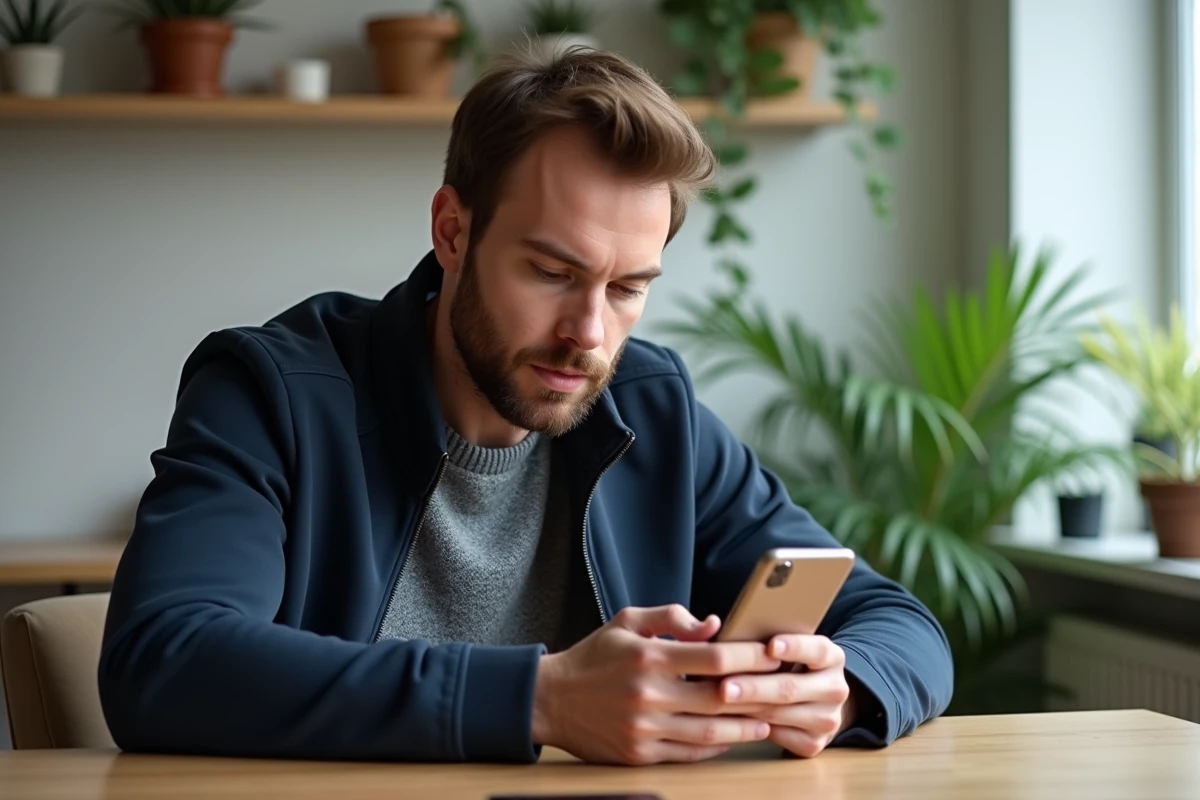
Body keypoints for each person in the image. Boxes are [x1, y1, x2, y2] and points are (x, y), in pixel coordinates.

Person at [98, 47, 953, 766]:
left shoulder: (652, 410)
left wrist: (838, 692)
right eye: (552, 273)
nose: (588, 333)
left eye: (627, 288)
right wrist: (542, 700)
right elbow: (162, 660)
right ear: (453, 232)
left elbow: (900, 623)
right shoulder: (273, 392)